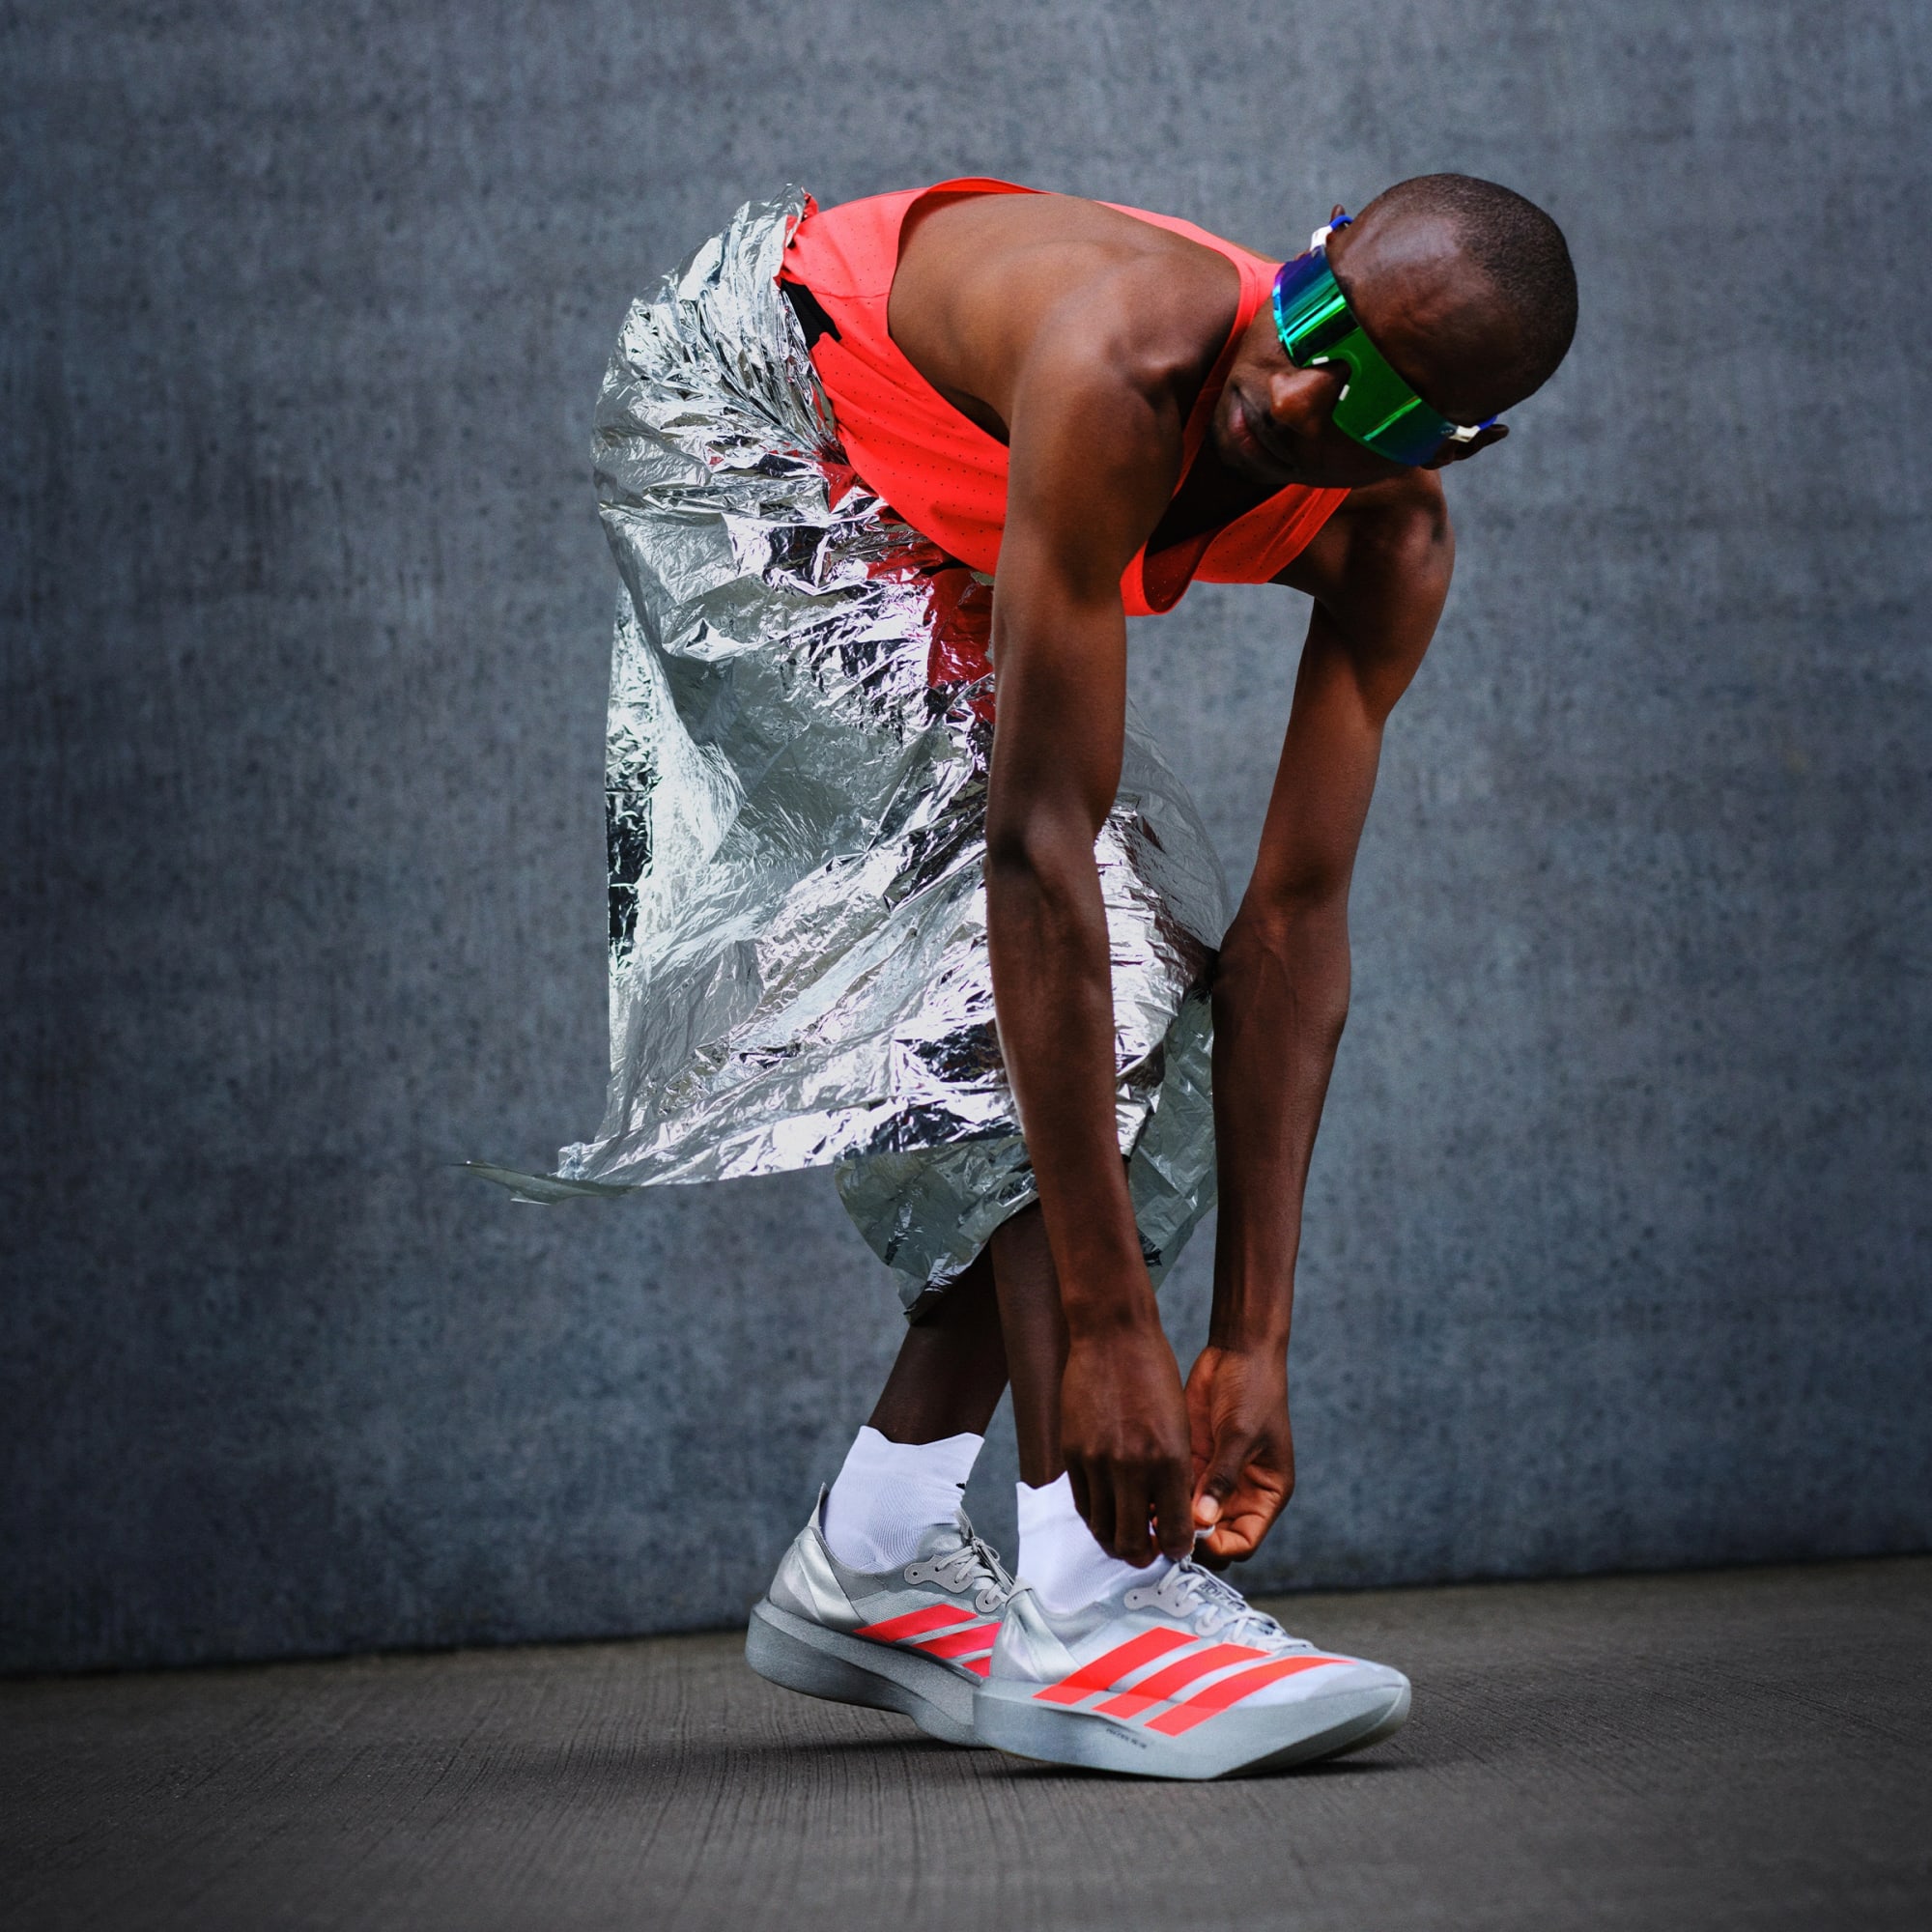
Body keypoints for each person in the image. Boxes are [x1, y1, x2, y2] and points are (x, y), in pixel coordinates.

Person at [481, 172, 1577, 1778]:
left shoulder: (1390, 543)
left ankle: (882, 1539)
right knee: (1088, 940)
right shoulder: (1123, 362)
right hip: (755, 411)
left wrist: (1251, 1335)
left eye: (1385, 403)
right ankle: (1093, 1599)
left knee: (1161, 997)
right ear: (1317, 249)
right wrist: (1118, 1331)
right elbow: (1033, 854)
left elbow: (1295, 931)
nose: (1300, 394)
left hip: (920, 500)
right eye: (1320, 321)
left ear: (1455, 446)